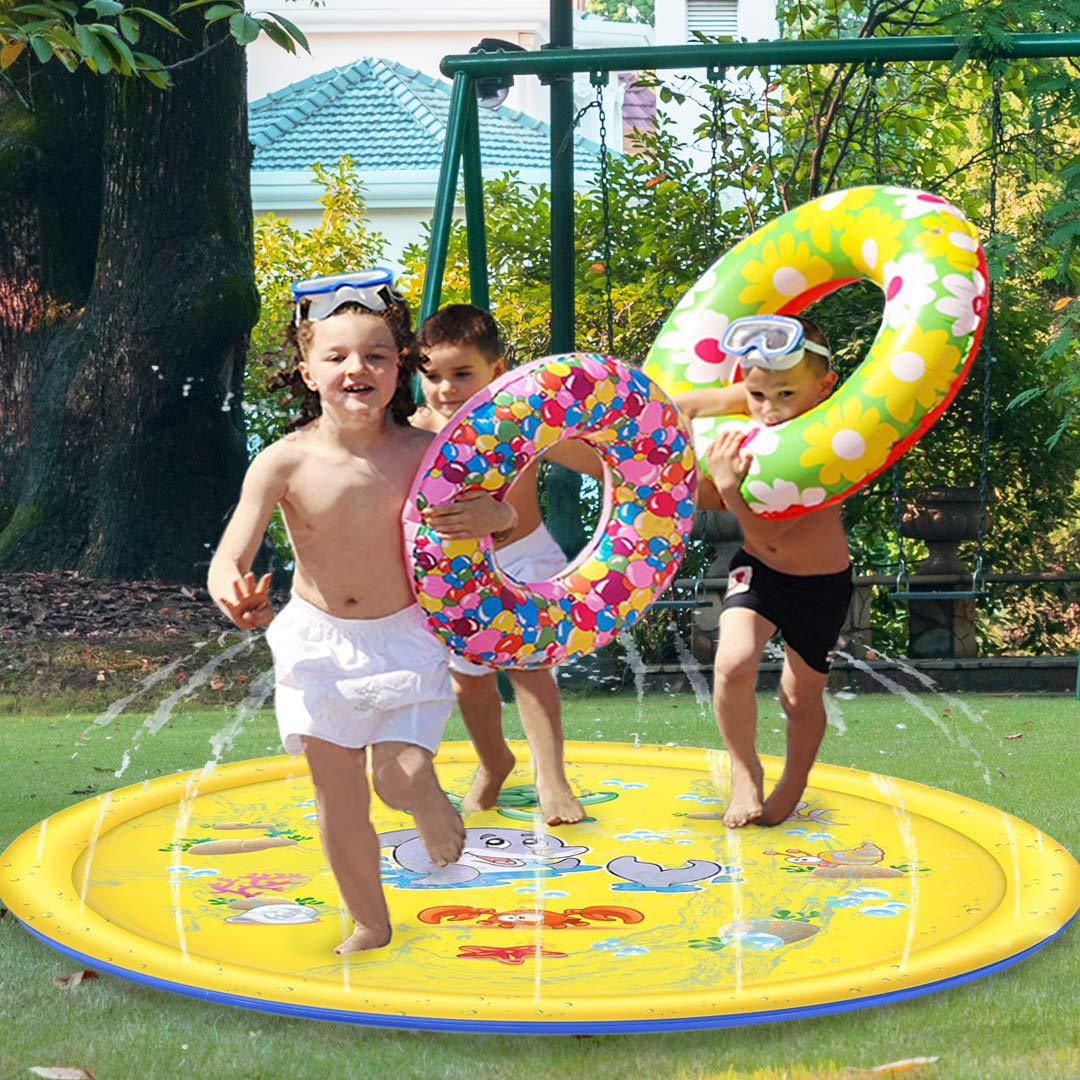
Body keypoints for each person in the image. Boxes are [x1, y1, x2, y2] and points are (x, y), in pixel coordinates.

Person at [207, 271, 515, 954]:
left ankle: (425, 797)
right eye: (337, 356)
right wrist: (235, 593)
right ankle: (371, 923)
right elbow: (231, 554)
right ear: (307, 370)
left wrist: (495, 516)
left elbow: (499, 517)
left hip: (405, 635)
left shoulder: (427, 454)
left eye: (376, 355)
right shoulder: (283, 462)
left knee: (398, 776)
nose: (357, 369)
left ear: (399, 367)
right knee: (338, 793)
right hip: (316, 641)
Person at [412, 304, 601, 826]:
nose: (446, 389)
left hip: (524, 556)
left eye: (462, 374)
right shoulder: (416, 431)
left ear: (496, 371)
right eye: (433, 376)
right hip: (456, 575)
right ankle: (495, 761)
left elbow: (605, 462)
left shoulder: (522, 422)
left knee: (527, 665)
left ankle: (552, 779)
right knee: (468, 680)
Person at [677, 315, 853, 829]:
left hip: (820, 584)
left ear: (824, 386)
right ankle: (744, 769)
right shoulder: (760, 394)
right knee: (732, 663)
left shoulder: (830, 434)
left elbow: (768, 526)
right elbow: (680, 407)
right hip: (759, 569)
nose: (769, 410)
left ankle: (792, 782)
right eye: (757, 395)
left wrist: (728, 487)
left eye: (784, 395)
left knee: (799, 697)